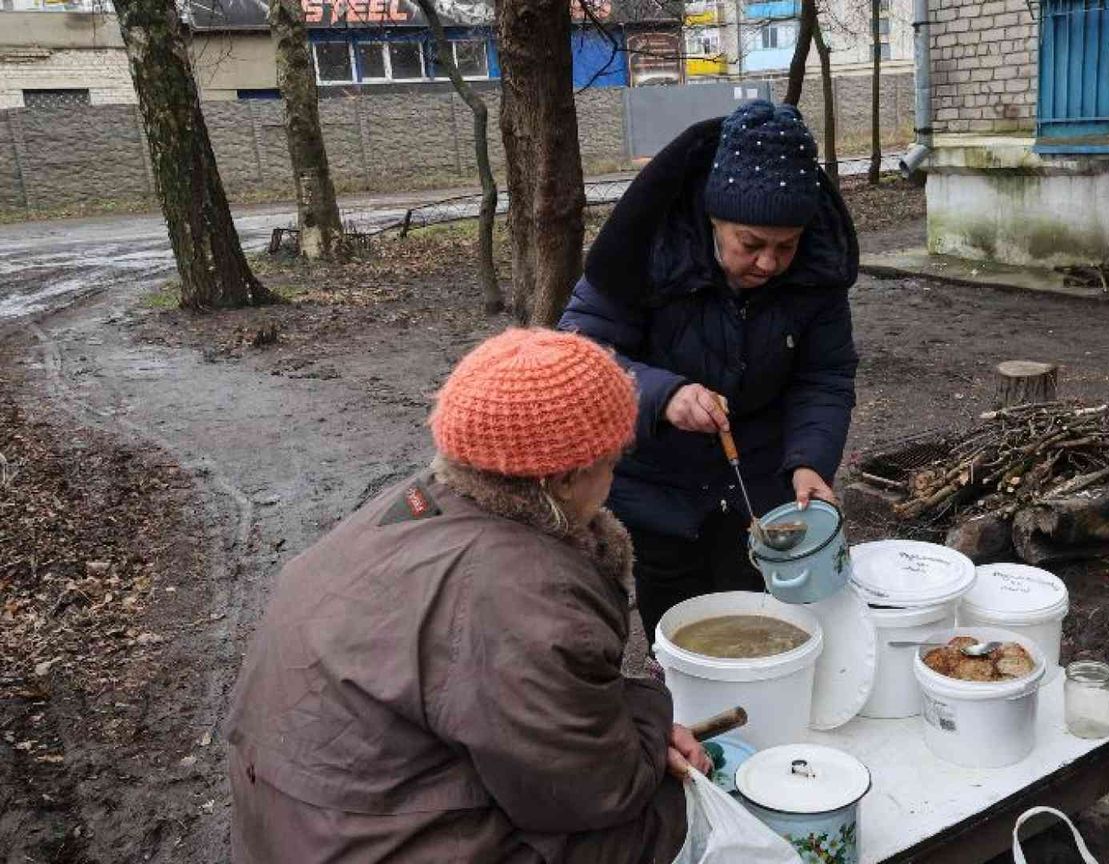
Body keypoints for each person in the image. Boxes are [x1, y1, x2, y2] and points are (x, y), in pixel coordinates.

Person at [223, 329, 709, 863]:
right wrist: (648, 714)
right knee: (666, 813)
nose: (615, 475)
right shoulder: (530, 592)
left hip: (293, 821)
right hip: (363, 844)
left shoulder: (414, 505)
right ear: (567, 477)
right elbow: (594, 796)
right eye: (614, 460)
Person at [560, 99, 859, 638]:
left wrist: (810, 462)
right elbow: (580, 354)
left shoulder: (817, 275)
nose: (768, 263)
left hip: (759, 483)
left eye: (785, 246)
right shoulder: (646, 251)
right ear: (713, 215)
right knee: (673, 616)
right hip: (658, 483)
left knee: (753, 615)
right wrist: (663, 395)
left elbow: (825, 377)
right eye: (751, 244)